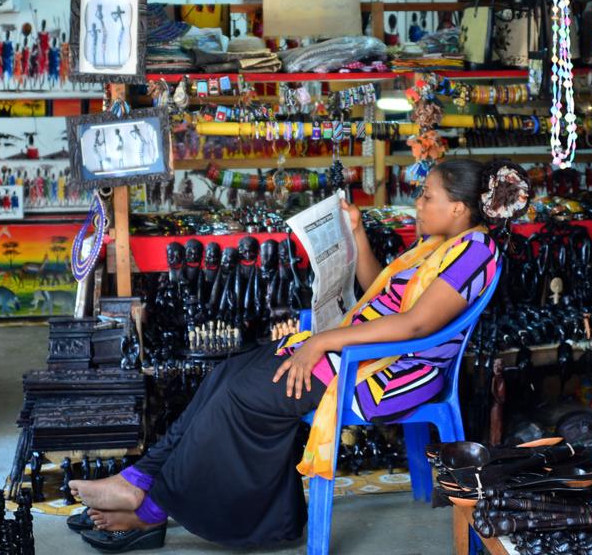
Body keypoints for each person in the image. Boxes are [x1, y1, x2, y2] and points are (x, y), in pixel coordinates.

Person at [68, 159, 529, 552]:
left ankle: (152, 511)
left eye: (427, 196)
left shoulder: (475, 253)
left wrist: (323, 342)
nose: (418, 203)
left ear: (460, 208)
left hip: (389, 371)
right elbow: (380, 293)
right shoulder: (438, 246)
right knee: (225, 373)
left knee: (241, 398)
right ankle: (140, 478)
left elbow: (415, 327)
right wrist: (357, 235)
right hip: (361, 348)